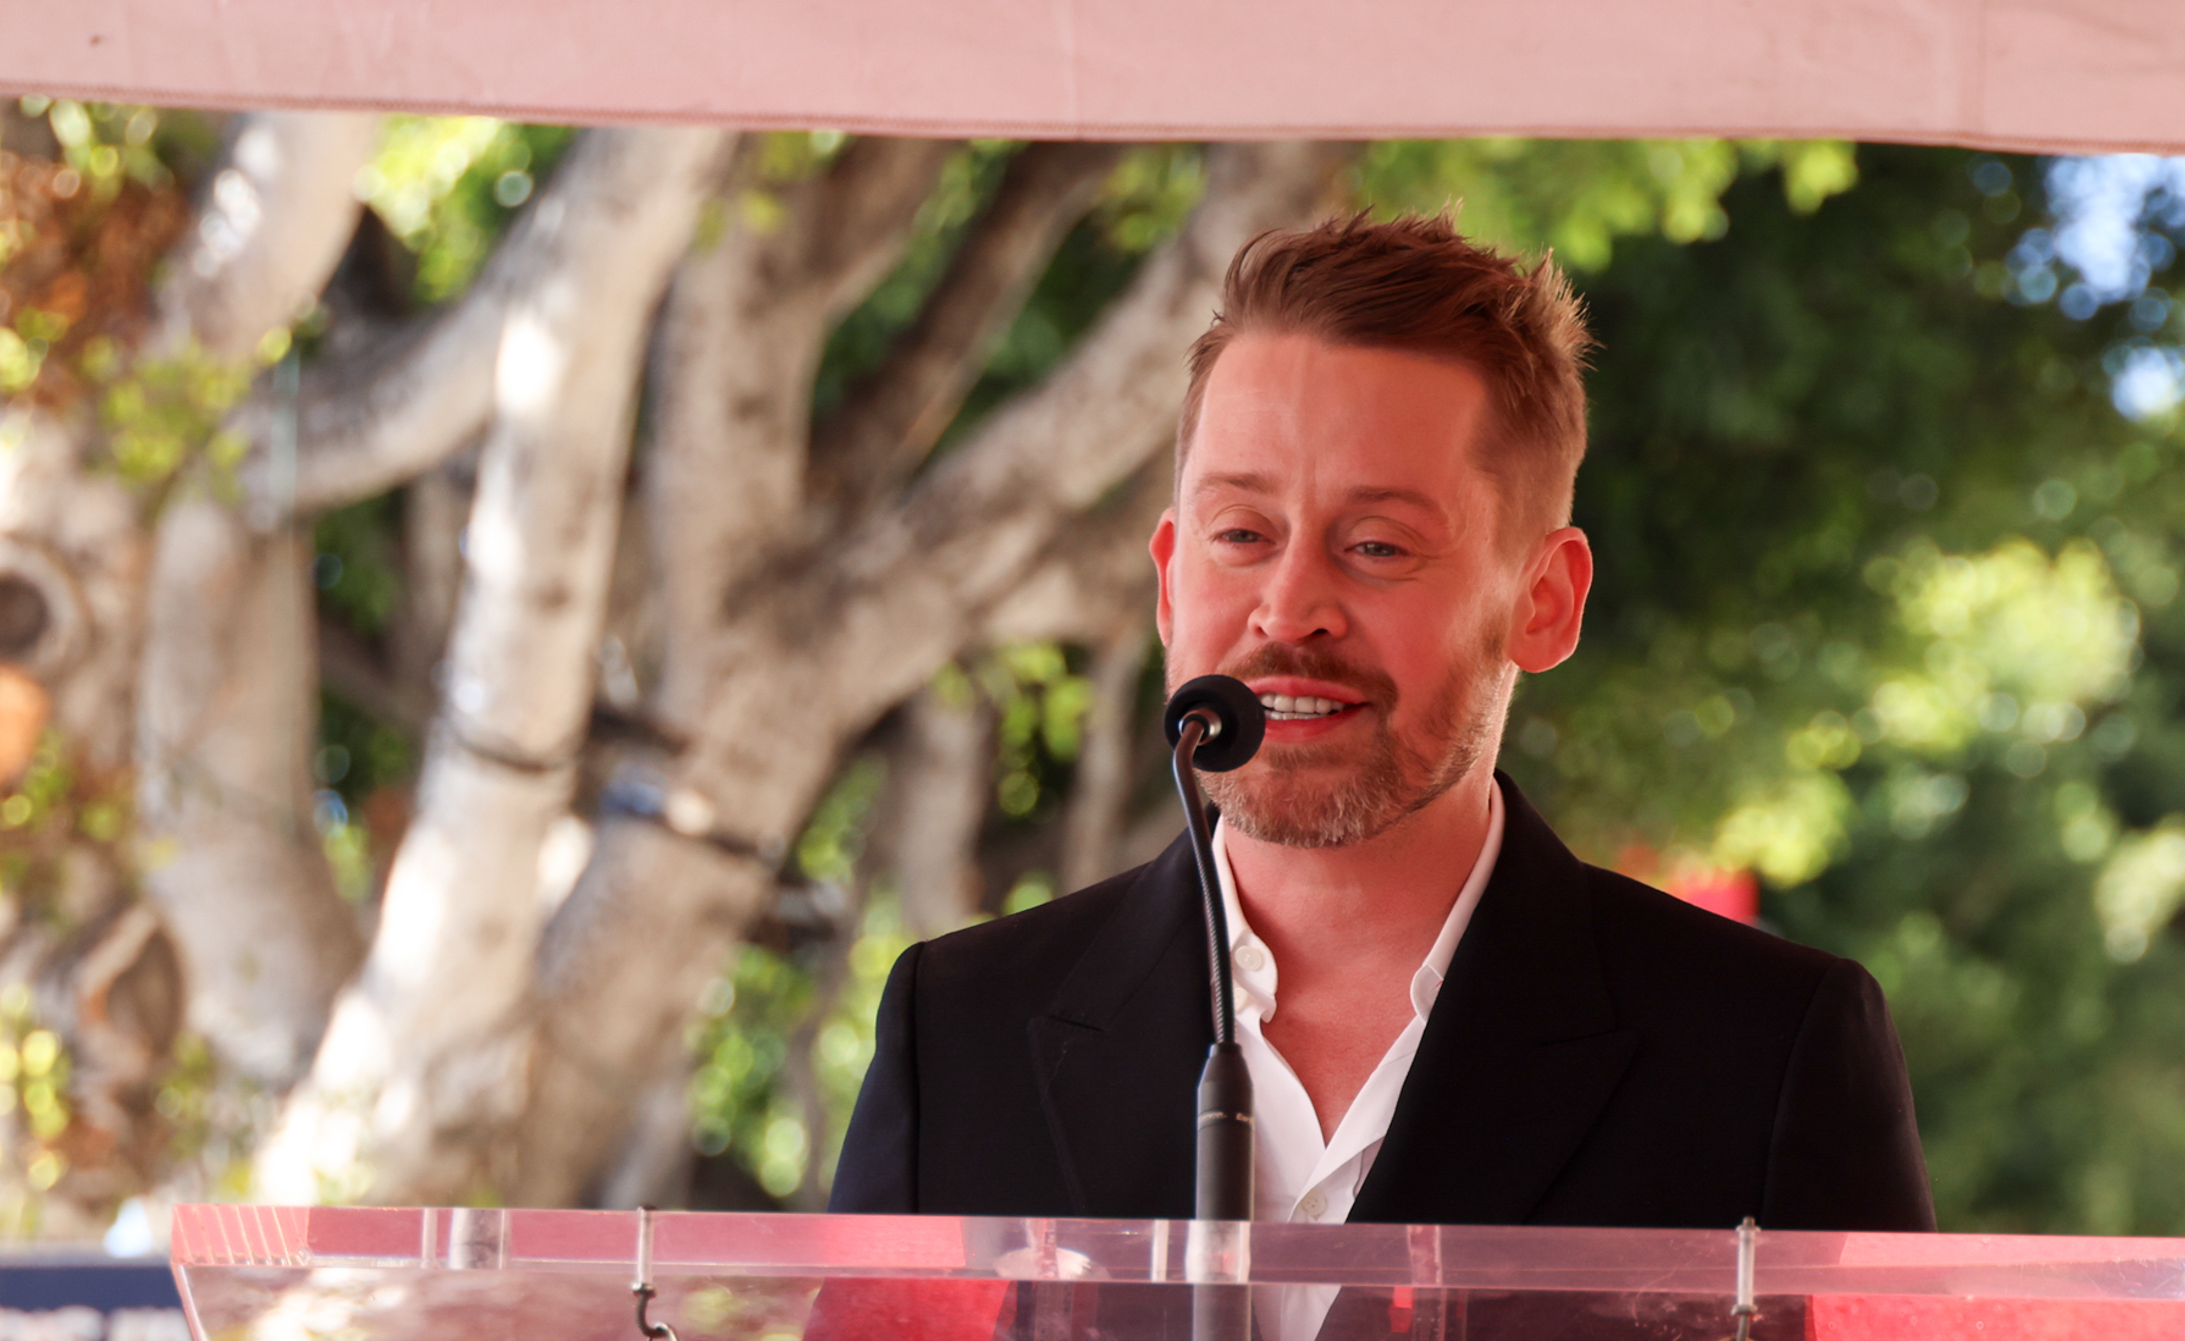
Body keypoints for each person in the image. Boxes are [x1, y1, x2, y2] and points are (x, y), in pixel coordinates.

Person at [824, 210, 1937, 1238]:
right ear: (1169, 583)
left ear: (1542, 602)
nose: (1288, 610)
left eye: (1377, 546)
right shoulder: (960, 1032)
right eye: (1242, 534)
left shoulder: (1765, 1056)